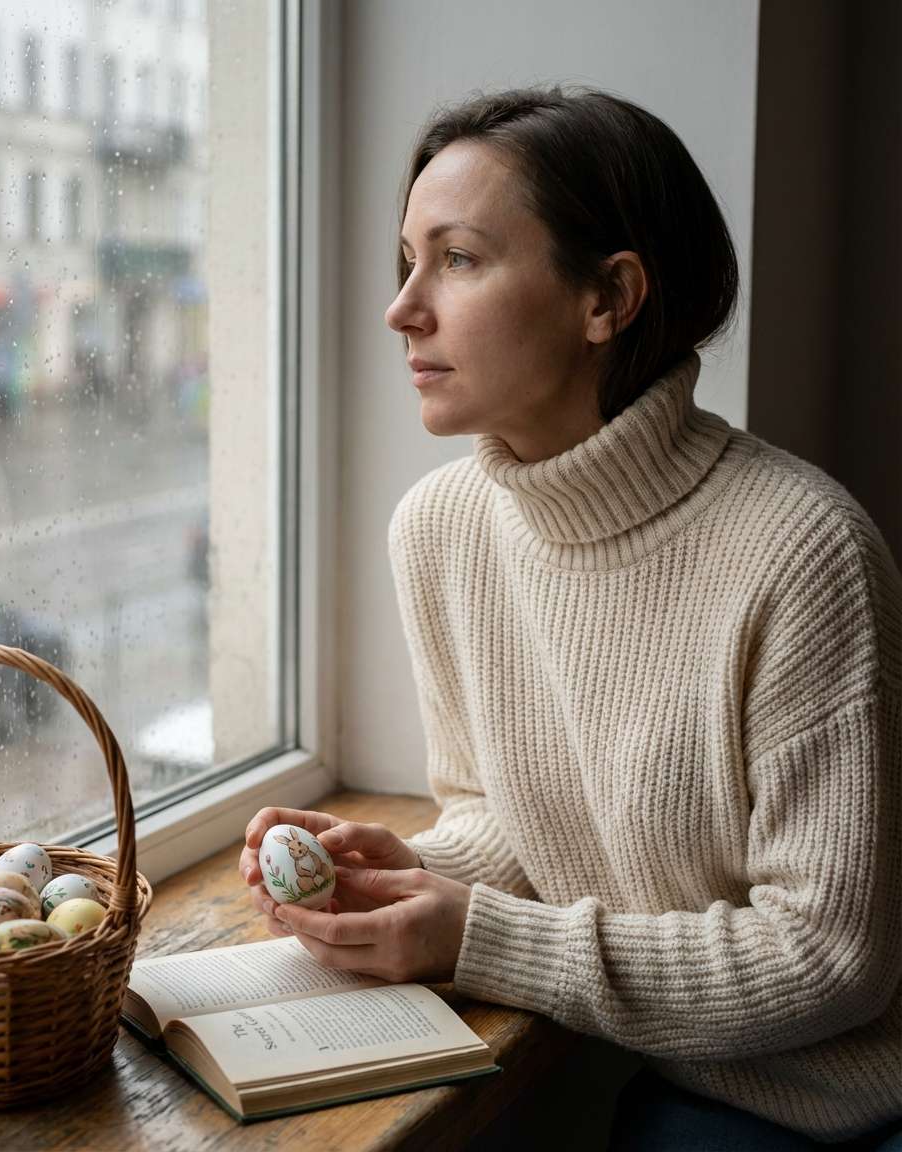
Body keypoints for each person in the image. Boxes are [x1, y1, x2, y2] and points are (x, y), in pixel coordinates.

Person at [240, 86, 902, 1149]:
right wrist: (411, 873)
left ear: (609, 298)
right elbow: (514, 818)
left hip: (838, 1114)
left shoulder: (800, 552)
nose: (401, 308)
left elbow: (828, 960)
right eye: (404, 259)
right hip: (650, 1082)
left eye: (455, 259)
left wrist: (481, 940)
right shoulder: (440, 531)